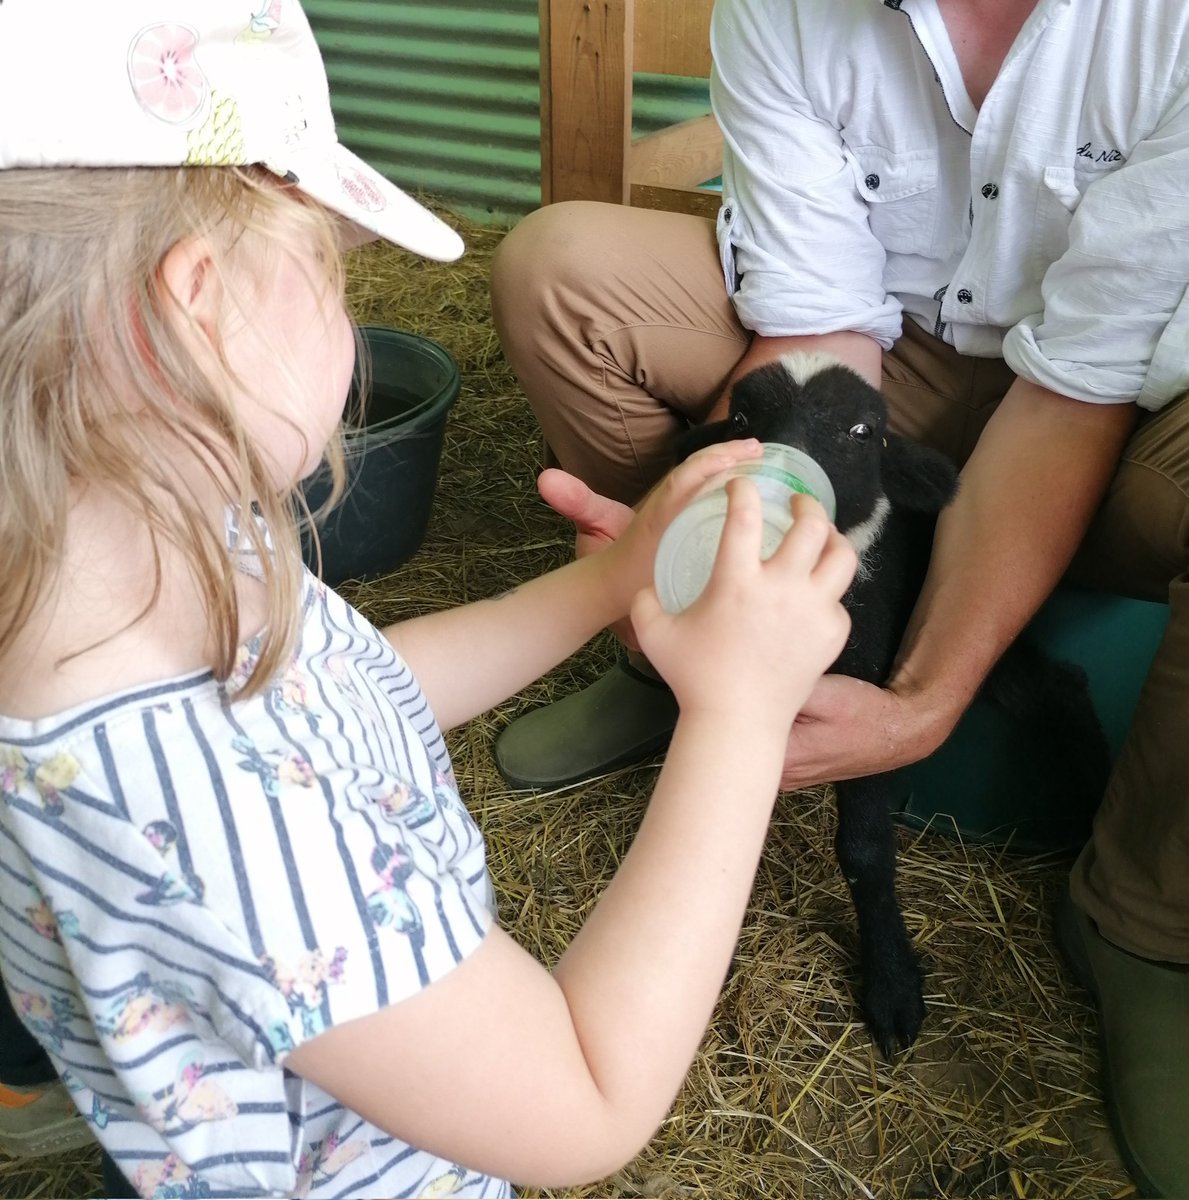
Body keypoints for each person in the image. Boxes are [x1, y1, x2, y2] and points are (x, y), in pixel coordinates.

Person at [0, 2, 859, 1198]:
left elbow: (357, 686)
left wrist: (600, 583)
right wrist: (740, 716)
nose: (348, 323)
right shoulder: (213, 825)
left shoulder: (137, 558)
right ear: (192, 314)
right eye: (327, 278)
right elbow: (582, 1097)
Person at [488, 0, 1189, 1195]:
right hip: (892, 355)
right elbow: (816, 325)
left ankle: (1140, 914)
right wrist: (719, 578)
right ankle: (672, 665)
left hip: (1106, 393)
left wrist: (922, 705)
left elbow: (1077, 384)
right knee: (562, 275)